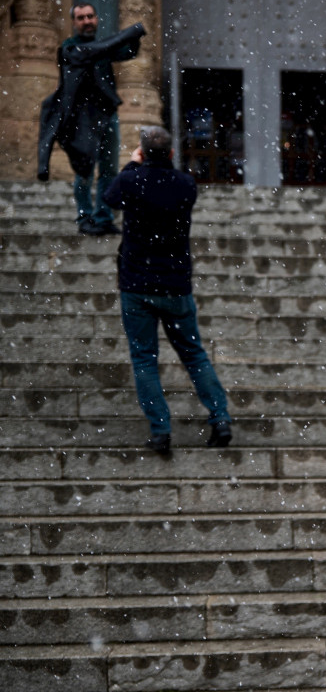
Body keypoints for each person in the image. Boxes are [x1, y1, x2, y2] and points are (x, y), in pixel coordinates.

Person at [102, 125, 232, 454]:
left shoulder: (132, 180)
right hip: (175, 284)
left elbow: (109, 198)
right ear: (172, 154)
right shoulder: (185, 184)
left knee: (145, 360)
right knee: (194, 355)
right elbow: (169, 182)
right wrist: (154, 164)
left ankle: (160, 431)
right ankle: (220, 420)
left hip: (137, 284)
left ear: (143, 153)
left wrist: (133, 165)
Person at [38, 4, 145, 236]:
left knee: (108, 170)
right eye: (81, 18)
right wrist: (127, 33)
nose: (86, 21)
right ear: (74, 22)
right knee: (84, 170)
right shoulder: (69, 47)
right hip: (81, 118)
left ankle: (103, 217)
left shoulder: (103, 47)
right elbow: (96, 51)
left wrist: (136, 37)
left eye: (90, 16)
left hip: (106, 116)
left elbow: (128, 53)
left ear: (96, 19)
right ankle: (85, 217)